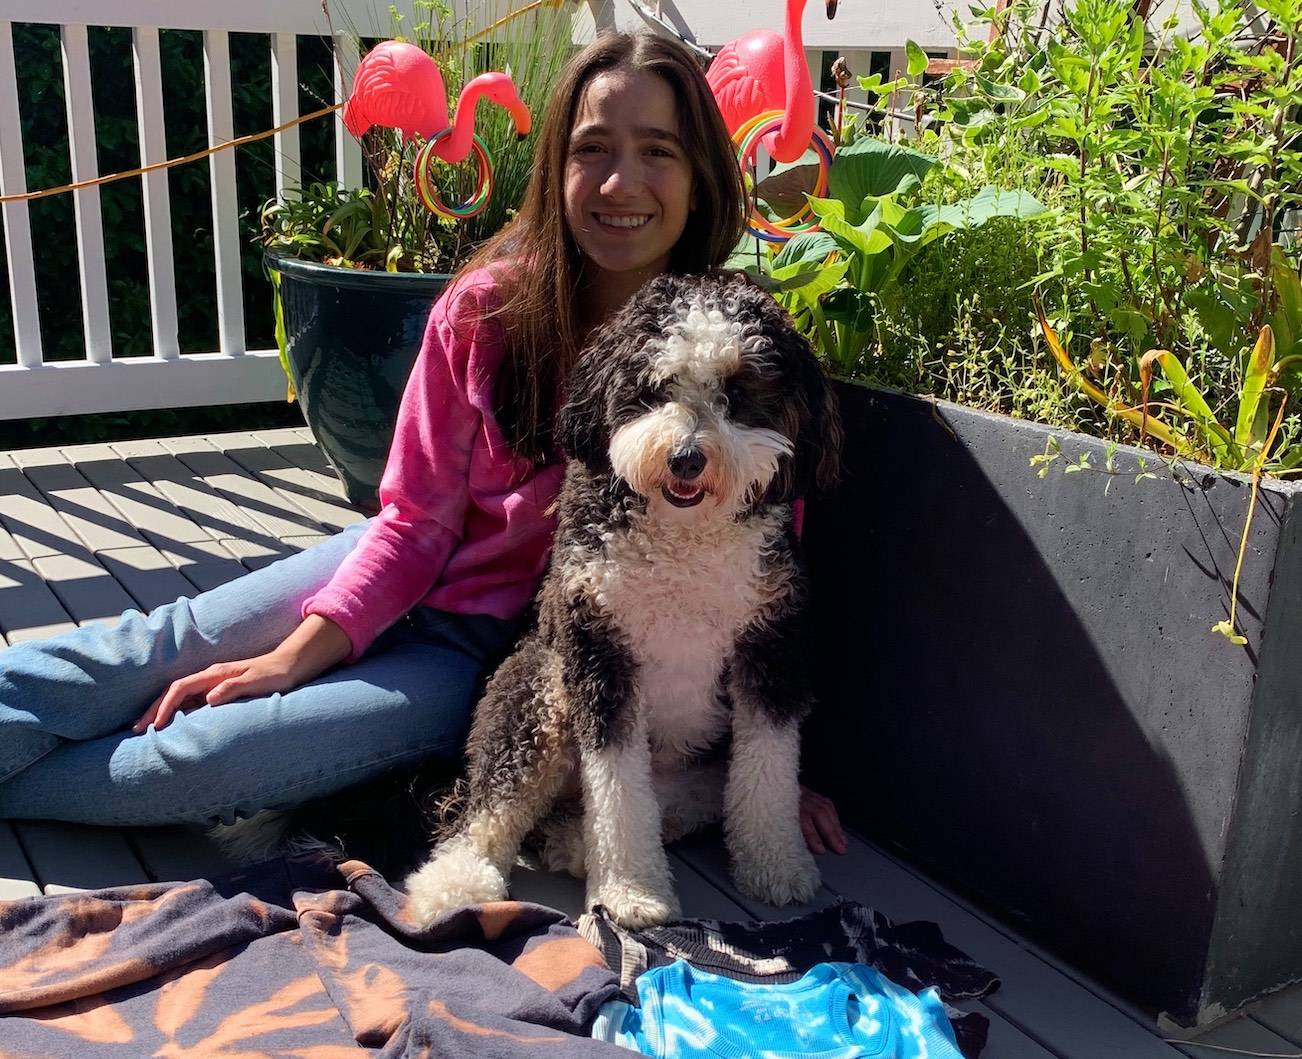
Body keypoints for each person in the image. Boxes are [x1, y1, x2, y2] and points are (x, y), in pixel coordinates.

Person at [0, 31, 847, 856]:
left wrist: (765, 771)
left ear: (701, 175)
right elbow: (414, 523)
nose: (621, 181)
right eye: (593, 148)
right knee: (160, 645)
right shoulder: (487, 311)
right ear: (556, 167)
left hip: (490, 654)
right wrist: (295, 655)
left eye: (658, 150)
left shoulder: (735, 346)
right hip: (396, 560)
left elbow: (766, 576)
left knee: (205, 757)